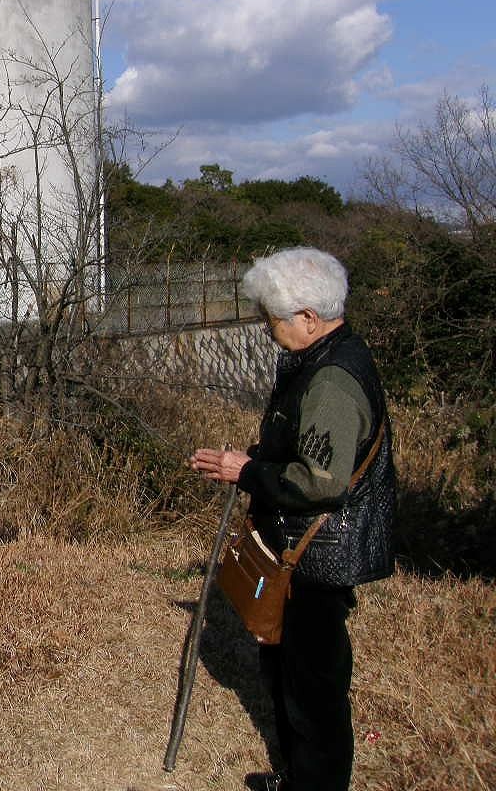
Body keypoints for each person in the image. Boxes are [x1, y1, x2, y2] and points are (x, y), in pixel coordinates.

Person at [189, 246, 396, 791]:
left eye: (271, 317)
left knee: (314, 686)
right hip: (306, 548)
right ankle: (300, 776)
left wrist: (249, 470)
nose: (265, 327)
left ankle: (315, 784)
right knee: (293, 673)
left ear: (308, 318)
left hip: (318, 553)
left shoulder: (331, 381)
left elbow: (319, 483)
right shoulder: (326, 357)